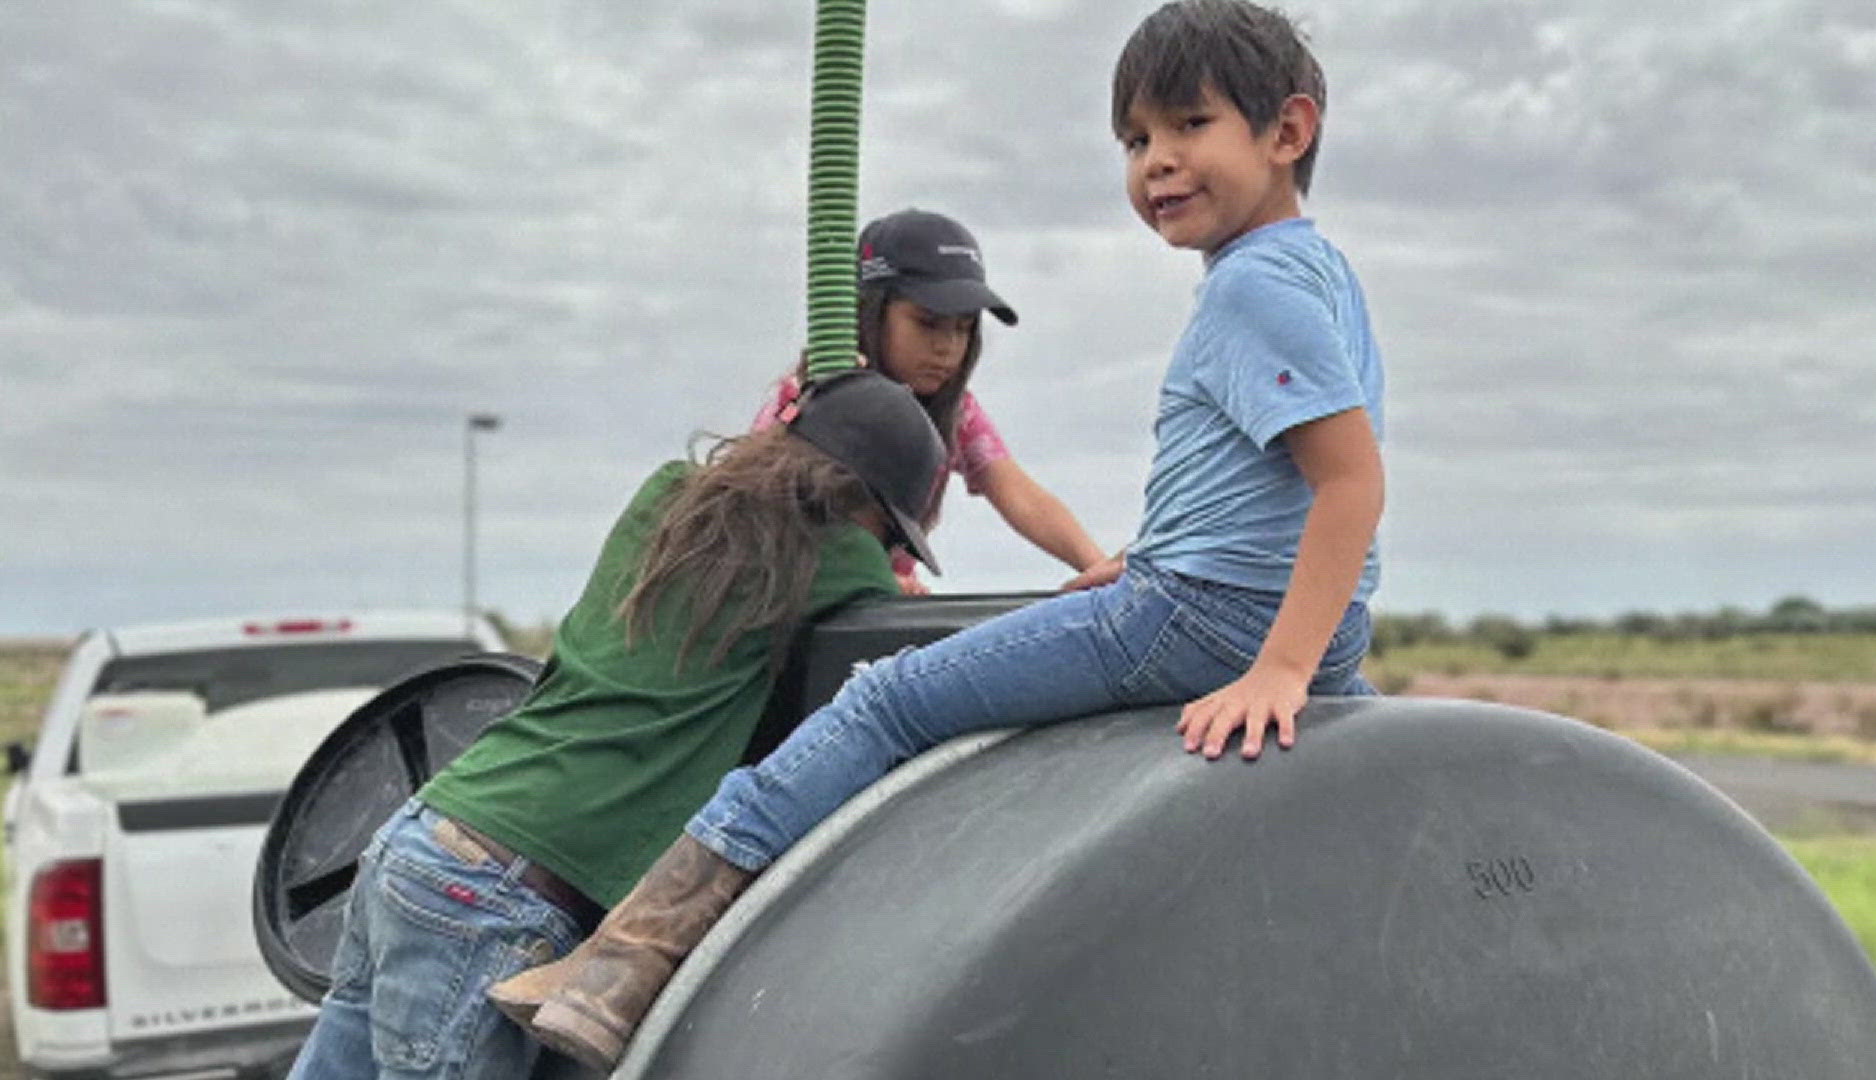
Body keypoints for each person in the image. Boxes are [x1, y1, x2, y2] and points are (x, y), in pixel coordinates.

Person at [495, 1, 1387, 1070]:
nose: (1157, 163)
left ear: (1287, 132)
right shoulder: (1313, 271)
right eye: (1137, 141)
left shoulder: (1250, 290)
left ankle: (626, 962)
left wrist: (1280, 666)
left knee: (885, 699)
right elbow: (1262, 485)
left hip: (1207, 618)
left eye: (1189, 126)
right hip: (1237, 600)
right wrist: (1152, 563)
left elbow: (1348, 484)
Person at [283, 370, 949, 1080]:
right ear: (861, 501)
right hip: (497, 895)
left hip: (422, 838)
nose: (887, 551)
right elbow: (903, 641)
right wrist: (888, 578)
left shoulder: (666, 495)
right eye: (889, 533)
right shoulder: (838, 558)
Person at [753, 208, 1106, 593]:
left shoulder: (958, 414)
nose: (947, 347)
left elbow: (1019, 495)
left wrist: (1100, 569)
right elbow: (758, 516)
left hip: (884, 601)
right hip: (797, 595)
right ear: (871, 312)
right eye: (927, 323)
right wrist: (870, 578)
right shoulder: (810, 400)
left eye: (964, 327)